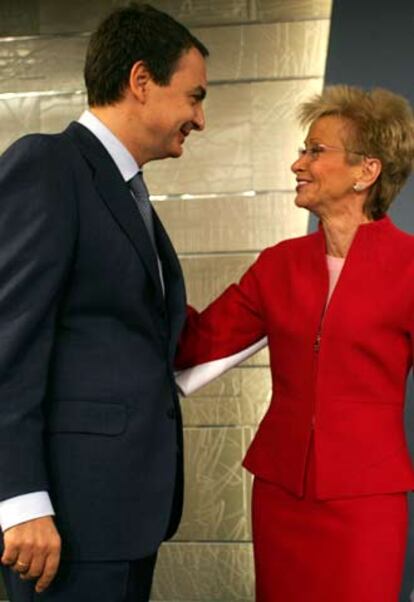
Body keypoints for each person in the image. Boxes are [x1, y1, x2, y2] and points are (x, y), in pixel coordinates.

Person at [0, 3, 207, 601]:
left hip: (121, 516)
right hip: (62, 522)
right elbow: (7, 343)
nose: (200, 117)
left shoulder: (125, 191)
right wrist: (20, 501)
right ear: (141, 81)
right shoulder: (47, 166)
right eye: (193, 96)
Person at [176, 85, 414, 601]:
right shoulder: (278, 264)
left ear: (365, 171)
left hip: (365, 502)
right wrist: (131, 281)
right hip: (280, 496)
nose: (297, 164)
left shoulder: (411, 267)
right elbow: (197, 342)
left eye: (315, 151)